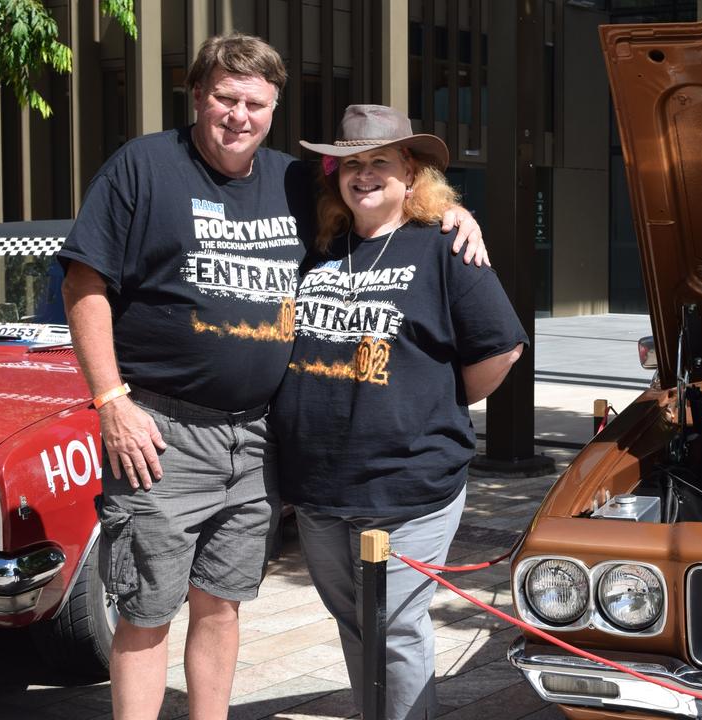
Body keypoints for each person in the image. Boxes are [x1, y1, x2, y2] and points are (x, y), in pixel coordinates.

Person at [58, 35, 485, 720]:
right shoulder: (143, 166)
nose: (239, 115)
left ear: (274, 109)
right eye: (225, 98)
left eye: (255, 103)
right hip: (161, 434)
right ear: (197, 96)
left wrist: (449, 214)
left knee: (222, 605)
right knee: (146, 609)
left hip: (257, 439)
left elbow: (378, 199)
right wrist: (111, 399)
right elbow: (86, 282)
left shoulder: (292, 182)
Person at [271, 105, 527, 720]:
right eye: (351, 164)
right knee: (354, 622)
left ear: (410, 171)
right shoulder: (319, 248)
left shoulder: (444, 245)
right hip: (318, 483)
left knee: (396, 625)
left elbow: (502, 347)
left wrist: (435, 398)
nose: (364, 176)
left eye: (379, 162)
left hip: (410, 481)